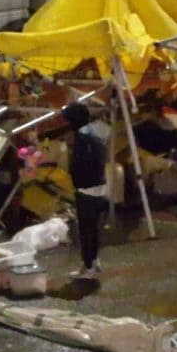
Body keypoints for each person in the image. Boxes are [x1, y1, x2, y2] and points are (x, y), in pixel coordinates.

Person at [62, 99, 109, 279]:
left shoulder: (83, 136)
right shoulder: (96, 132)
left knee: (86, 229)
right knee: (94, 228)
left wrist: (76, 181)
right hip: (99, 186)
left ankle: (88, 266)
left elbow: (81, 164)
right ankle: (94, 262)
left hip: (86, 190)